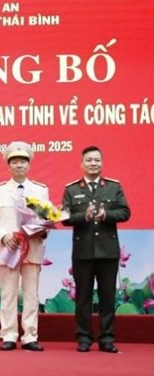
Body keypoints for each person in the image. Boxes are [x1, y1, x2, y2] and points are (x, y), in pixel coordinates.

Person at [62, 146, 131, 353]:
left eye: (97, 160)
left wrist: (106, 215)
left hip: (108, 251)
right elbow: (64, 218)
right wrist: (83, 216)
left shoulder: (113, 186)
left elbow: (125, 212)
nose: (94, 163)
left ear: (102, 163)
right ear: (82, 164)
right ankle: (83, 338)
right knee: (83, 297)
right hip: (82, 251)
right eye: (89, 160)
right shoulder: (72, 189)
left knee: (107, 296)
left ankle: (107, 338)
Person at [0, 141, 49, 351]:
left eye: (23, 161)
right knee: (8, 292)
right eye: (15, 162)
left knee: (31, 293)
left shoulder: (40, 190)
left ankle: (30, 335)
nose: (19, 165)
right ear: (8, 165)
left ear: (29, 165)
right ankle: (9, 335)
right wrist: (3, 236)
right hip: (9, 248)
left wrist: (43, 229)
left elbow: (46, 218)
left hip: (32, 247)